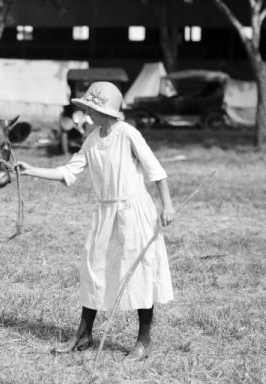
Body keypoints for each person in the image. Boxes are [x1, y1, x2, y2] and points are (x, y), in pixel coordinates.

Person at [17, 82, 175, 361]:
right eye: (87, 108)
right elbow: (68, 171)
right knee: (93, 269)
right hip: (105, 213)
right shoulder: (92, 139)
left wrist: (167, 206)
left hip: (134, 211)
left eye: (92, 108)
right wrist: (30, 170)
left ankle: (143, 340)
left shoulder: (128, 134)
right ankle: (84, 335)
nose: (88, 113)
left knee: (138, 272)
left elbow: (156, 171)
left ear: (106, 110)